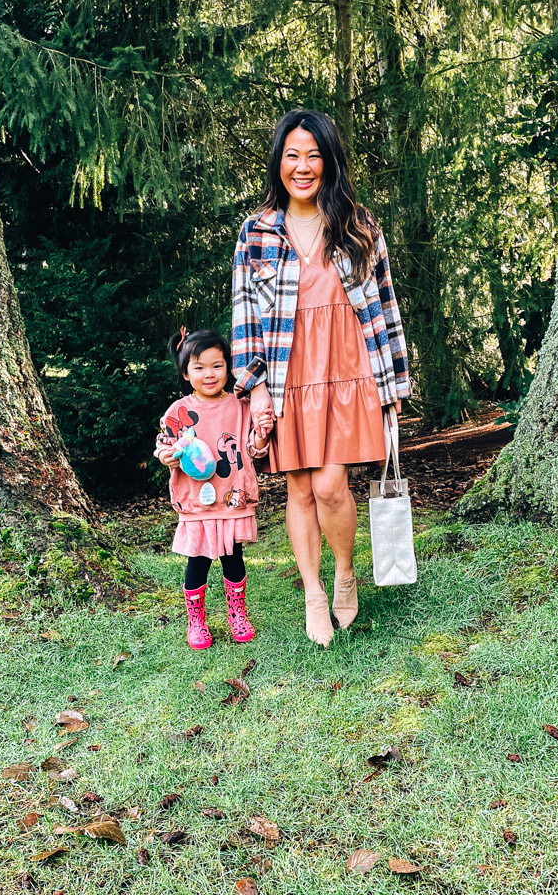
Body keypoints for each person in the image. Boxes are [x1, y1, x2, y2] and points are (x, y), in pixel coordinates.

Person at [231, 110, 410, 647]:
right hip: (287, 375)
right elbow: (244, 315)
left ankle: (345, 573)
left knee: (332, 486)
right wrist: (255, 388)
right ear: (278, 162)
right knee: (300, 488)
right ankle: (313, 592)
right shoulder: (256, 231)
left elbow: (385, 307)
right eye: (292, 155)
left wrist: (394, 384)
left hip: (349, 370)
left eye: (313, 155)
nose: (303, 166)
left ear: (329, 161)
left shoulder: (359, 225)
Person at [154, 329, 273, 650]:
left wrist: (262, 434)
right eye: (199, 367)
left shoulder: (241, 406)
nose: (209, 374)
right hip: (197, 502)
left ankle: (238, 614)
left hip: (232, 498)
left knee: (233, 557)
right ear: (185, 373)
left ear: (228, 368)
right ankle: (196, 621)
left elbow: (253, 449)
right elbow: (164, 445)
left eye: (217, 366)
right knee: (198, 562)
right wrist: (167, 455)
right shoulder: (177, 411)